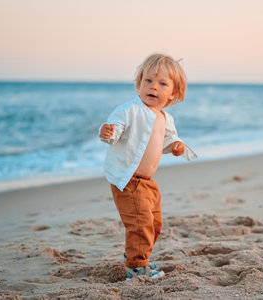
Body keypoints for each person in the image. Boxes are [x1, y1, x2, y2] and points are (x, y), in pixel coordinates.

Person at [99, 53, 197, 280]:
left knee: (154, 223)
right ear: (139, 84)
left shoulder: (165, 118)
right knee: (140, 224)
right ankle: (136, 268)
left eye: (162, 83)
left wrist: (176, 146)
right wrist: (108, 132)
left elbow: (166, 141)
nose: (153, 87)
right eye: (148, 81)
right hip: (128, 180)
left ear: (173, 92)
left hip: (148, 181)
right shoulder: (129, 110)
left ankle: (135, 256)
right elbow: (116, 129)